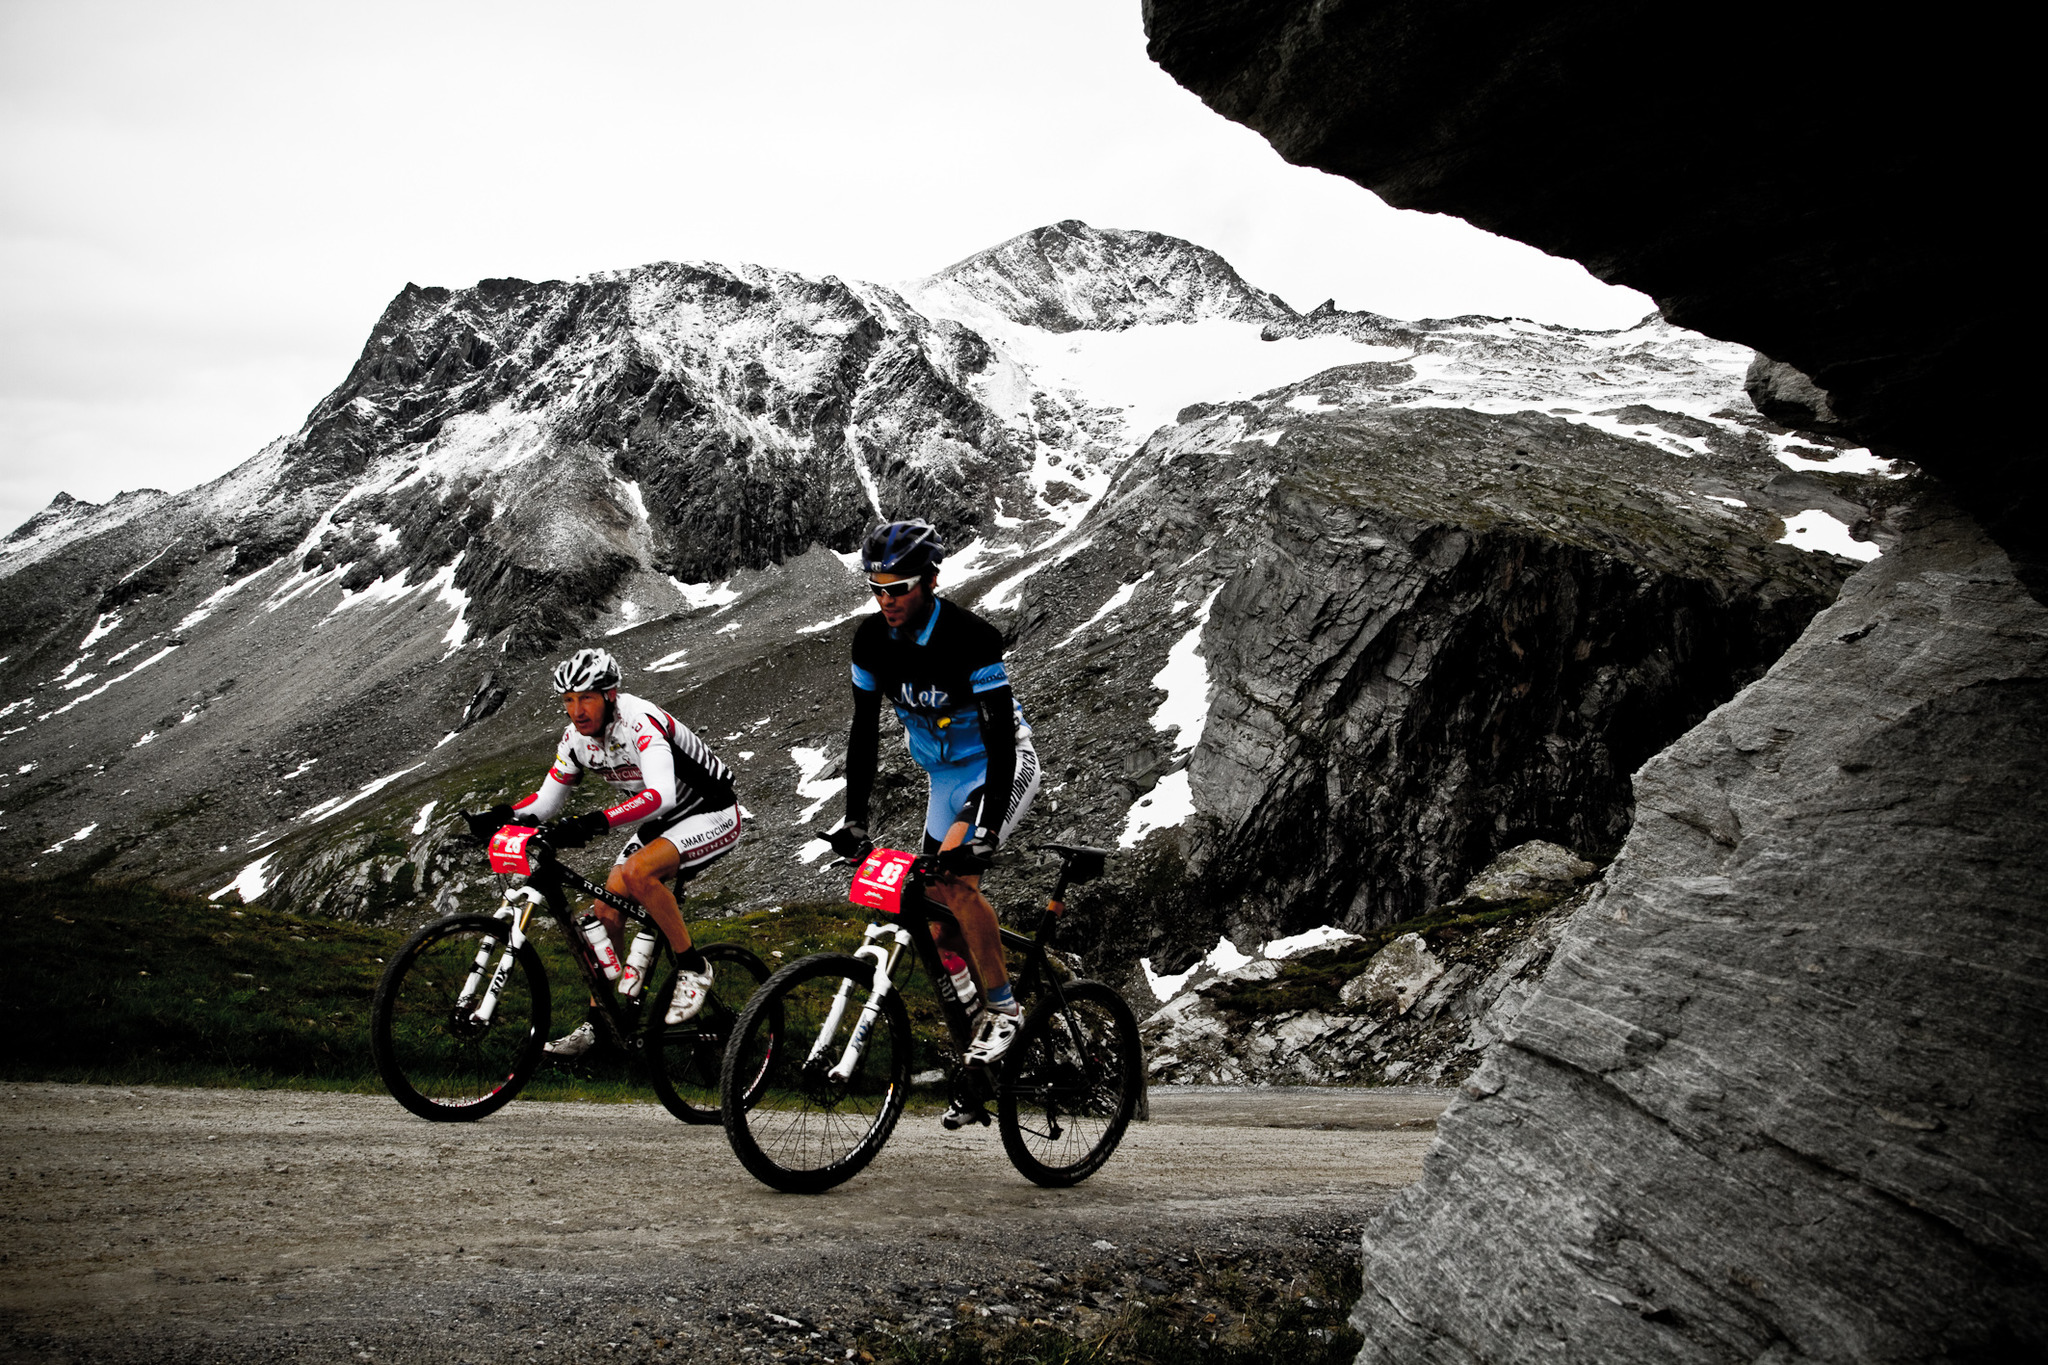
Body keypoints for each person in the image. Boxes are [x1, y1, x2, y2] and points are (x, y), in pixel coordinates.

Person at [826, 519, 1043, 1089]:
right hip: (943, 778)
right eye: (876, 588)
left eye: (898, 588)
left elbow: (999, 739)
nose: (886, 600)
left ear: (930, 581)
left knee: (956, 884)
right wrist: (855, 817)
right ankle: (975, 1038)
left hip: (996, 766)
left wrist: (987, 826)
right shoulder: (871, 640)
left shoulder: (971, 639)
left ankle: (1005, 1009)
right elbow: (864, 733)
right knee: (934, 921)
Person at [468, 647, 741, 1058]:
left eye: (586, 698)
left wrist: (596, 821)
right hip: (663, 824)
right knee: (606, 907)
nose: (577, 710)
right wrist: (503, 815)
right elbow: (545, 803)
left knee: (637, 874)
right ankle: (600, 1026)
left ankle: (693, 968)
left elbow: (662, 795)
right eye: (568, 701)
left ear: (610, 695)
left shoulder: (639, 722)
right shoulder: (575, 741)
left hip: (712, 810)